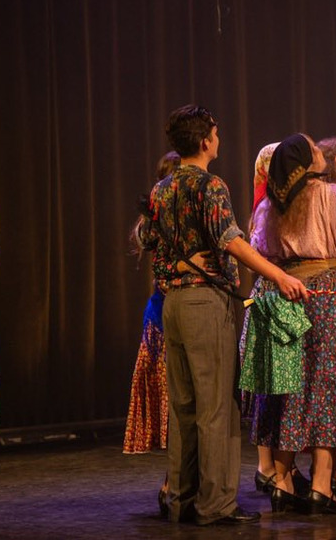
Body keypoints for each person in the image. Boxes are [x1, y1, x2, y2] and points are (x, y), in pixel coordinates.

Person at [139, 105, 307, 526]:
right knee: (216, 407)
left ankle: (181, 497)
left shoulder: (161, 189)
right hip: (202, 303)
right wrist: (278, 276)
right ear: (204, 142)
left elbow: (155, 247)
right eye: (215, 132)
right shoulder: (210, 185)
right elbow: (231, 241)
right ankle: (215, 504)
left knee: (185, 406)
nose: (218, 137)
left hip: (173, 305)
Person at [240, 134, 336, 516]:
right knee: (327, 388)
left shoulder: (266, 208)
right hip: (327, 295)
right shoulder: (334, 195)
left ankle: (282, 476)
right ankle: (322, 485)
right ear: (308, 163)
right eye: (315, 150)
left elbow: (258, 252)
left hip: (285, 295)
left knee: (287, 389)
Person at [123, 151, 181, 514]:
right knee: (174, 403)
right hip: (164, 317)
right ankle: (174, 482)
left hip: (173, 313)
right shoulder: (155, 222)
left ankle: (177, 481)